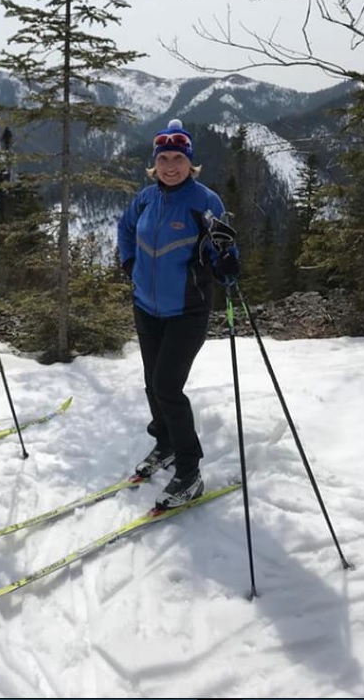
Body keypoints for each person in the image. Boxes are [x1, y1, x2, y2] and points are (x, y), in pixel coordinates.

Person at [117, 118, 240, 509]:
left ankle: (189, 471)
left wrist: (227, 264)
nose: (171, 166)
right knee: (153, 382)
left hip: (187, 309)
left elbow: (223, 245)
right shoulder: (145, 199)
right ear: (155, 163)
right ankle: (165, 443)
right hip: (146, 306)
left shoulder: (205, 200)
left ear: (190, 163)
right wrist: (130, 264)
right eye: (164, 158)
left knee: (168, 385)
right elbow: (124, 230)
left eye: (178, 159)